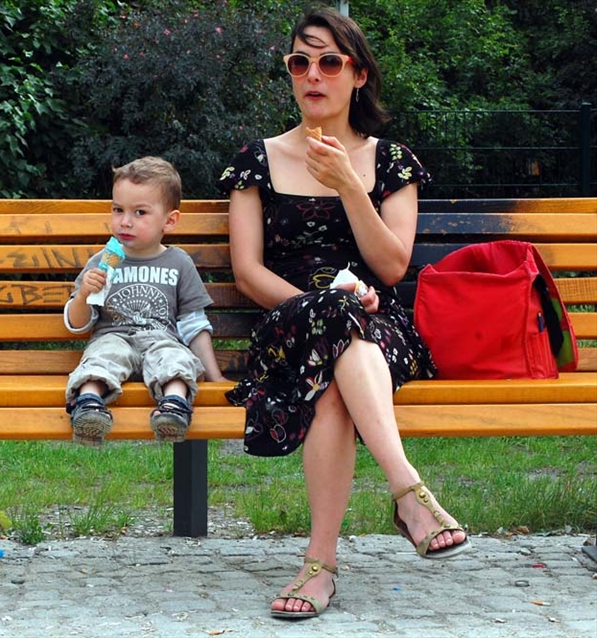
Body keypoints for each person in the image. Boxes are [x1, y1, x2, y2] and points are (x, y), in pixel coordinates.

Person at [219, 7, 470, 619]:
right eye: (299, 62)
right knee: (334, 324)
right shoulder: (257, 160)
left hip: (378, 327)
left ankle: (320, 565)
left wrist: (349, 185)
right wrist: (321, 306)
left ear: (358, 75)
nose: (313, 74)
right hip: (289, 323)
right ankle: (407, 492)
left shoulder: (390, 162)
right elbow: (249, 272)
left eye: (329, 61)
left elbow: (390, 268)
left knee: (339, 364)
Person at [64, 156, 224, 446]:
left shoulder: (178, 262)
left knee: (176, 357)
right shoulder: (101, 262)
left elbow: (193, 325)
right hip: (113, 337)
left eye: (140, 212)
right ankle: (88, 406)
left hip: (161, 340)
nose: (125, 221)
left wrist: (215, 377)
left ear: (170, 220)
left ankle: (174, 408)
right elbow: (77, 326)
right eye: (118, 210)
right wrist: (84, 295)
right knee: (101, 355)